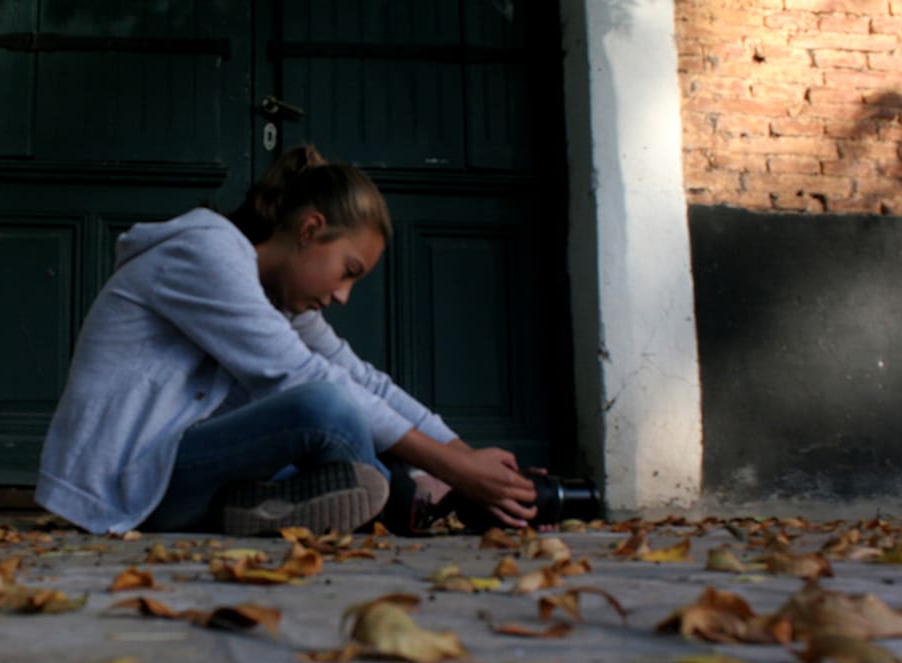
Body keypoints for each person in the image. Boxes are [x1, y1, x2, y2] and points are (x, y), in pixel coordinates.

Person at [35, 144, 541, 535]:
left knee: (345, 403)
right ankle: (410, 494)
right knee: (322, 405)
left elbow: (367, 380)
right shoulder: (206, 253)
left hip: (187, 480)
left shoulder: (272, 296)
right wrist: (455, 468)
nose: (344, 295)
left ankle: (283, 505)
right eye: (347, 271)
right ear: (310, 229)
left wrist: (468, 457)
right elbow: (305, 381)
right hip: (130, 481)